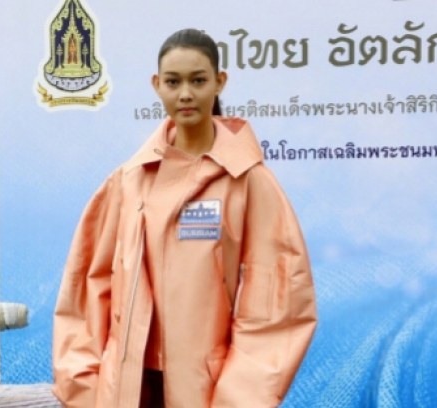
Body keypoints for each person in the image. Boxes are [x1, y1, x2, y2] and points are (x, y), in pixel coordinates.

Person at [52, 28, 318, 408]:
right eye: (173, 82)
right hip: (129, 388)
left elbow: (278, 301)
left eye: (198, 80)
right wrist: (84, 384)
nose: (186, 94)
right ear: (157, 85)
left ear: (219, 82)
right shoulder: (128, 180)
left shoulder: (249, 181)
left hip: (206, 391)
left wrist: (238, 397)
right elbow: (88, 286)